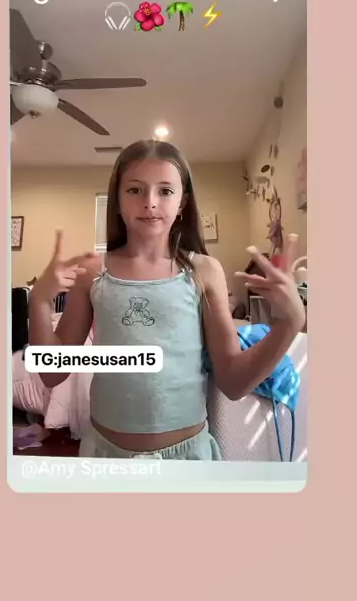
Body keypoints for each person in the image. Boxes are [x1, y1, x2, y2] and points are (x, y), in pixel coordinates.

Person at [28, 139, 306, 460]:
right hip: (105, 458)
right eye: (135, 190)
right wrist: (40, 302)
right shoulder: (92, 272)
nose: (150, 202)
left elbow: (233, 382)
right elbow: (52, 373)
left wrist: (290, 322)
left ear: (182, 202)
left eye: (165, 191)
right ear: (117, 200)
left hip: (187, 459)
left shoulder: (204, 270)